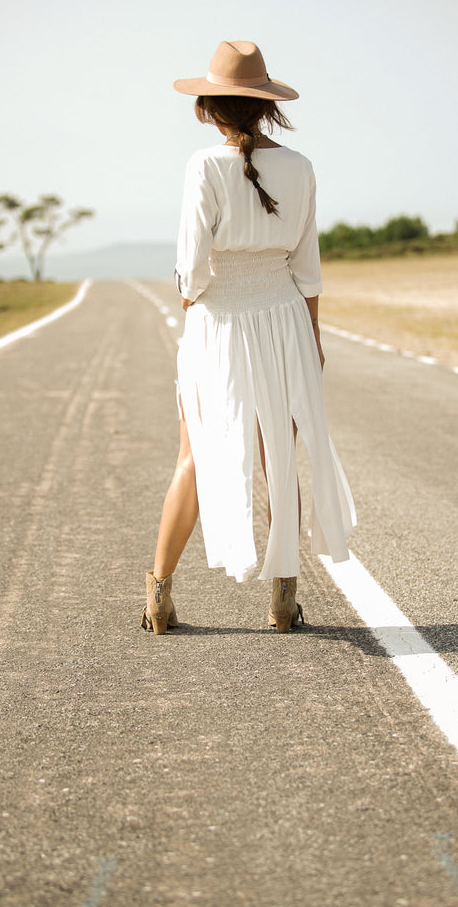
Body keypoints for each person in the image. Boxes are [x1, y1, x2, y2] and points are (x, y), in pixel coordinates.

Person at [141, 40, 356, 635]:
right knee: (276, 457)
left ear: (207, 106)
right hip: (284, 315)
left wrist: (200, 305)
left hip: (219, 321)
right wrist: (311, 337)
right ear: (265, 107)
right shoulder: (302, 166)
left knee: (193, 455)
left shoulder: (203, 166)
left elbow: (192, 268)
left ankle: (159, 597)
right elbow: (307, 267)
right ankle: (283, 600)